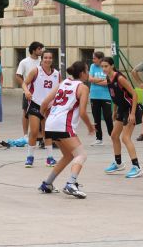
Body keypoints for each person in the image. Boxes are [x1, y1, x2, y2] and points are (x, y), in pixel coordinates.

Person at [38, 61, 95, 199]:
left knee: (68, 155)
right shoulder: (83, 88)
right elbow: (82, 112)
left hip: (51, 124)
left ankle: (47, 183)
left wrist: (46, 118)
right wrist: (90, 126)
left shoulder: (63, 82)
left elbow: (44, 103)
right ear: (82, 73)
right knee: (81, 155)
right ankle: (71, 183)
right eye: (87, 70)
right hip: (63, 125)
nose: (88, 73)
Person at [102, 57, 143, 178]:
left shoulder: (119, 78)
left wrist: (132, 113)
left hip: (131, 108)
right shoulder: (108, 78)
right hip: (122, 108)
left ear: (112, 66)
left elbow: (134, 94)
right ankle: (118, 163)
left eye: (106, 66)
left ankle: (137, 167)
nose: (104, 69)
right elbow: (115, 96)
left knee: (125, 138)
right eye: (102, 66)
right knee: (114, 135)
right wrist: (115, 111)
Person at [22, 50, 60, 167]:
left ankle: (49, 158)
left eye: (50, 58)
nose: (48, 60)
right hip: (35, 103)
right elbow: (24, 83)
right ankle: (30, 157)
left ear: (52, 59)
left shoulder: (57, 74)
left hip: (49, 106)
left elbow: (59, 89)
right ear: (42, 59)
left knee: (47, 132)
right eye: (45, 58)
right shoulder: (36, 71)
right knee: (33, 131)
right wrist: (27, 91)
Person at [15, 42, 44, 141]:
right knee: (26, 112)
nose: (41, 51)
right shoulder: (24, 62)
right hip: (28, 92)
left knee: (42, 112)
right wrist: (25, 88)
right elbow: (18, 76)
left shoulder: (43, 60)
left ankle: (41, 134)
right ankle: (25, 135)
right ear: (34, 50)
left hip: (41, 92)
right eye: (39, 49)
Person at [88, 51, 112, 146]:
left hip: (106, 96)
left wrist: (95, 81)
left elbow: (108, 82)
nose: (93, 60)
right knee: (96, 118)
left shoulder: (106, 67)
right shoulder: (92, 66)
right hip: (94, 96)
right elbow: (90, 79)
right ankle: (99, 138)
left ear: (100, 59)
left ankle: (112, 136)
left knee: (107, 117)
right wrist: (102, 80)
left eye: (94, 58)